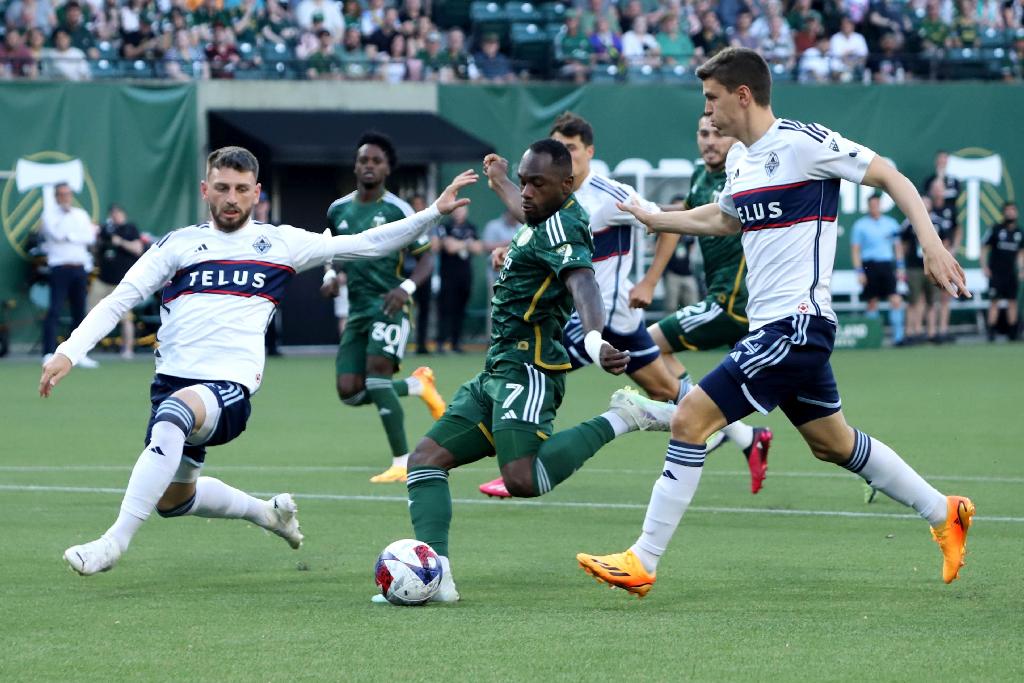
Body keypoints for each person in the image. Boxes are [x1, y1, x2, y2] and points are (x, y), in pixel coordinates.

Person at [577, 48, 975, 597]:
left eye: (712, 99)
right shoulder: (741, 161)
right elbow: (721, 217)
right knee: (831, 444)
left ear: (742, 95)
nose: (707, 114)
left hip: (797, 326)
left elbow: (891, 177)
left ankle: (642, 559)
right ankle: (944, 510)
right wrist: (653, 217)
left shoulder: (802, 143)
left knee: (691, 417)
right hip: (775, 330)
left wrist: (931, 243)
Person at [41, 146, 477, 576]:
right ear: (205, 190)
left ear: (257, 193)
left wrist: (433, 212)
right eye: (222, 187)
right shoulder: (178, 245)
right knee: (174, 500)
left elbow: (366, 243)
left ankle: (113, 542)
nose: (232, 197)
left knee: (174, 417)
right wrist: (69, 351)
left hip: (228, 389)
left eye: (241, 189)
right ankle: (269, 515)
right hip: (172, 383)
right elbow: (120, 300)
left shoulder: (281, 243)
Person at [396, 139, 675, 603]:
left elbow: (583, 284)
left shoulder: (566, 228)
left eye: (536, 184)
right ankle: (438, 577)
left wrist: (593, 339)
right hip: (496, 370)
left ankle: (622, 416)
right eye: (524, 182)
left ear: (567, 185)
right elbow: (526, 209)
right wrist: (501, 180)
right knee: (425, 462)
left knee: (521, 479)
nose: (525, 192)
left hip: (528, 370)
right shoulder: (541, 214)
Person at [477, 112, 693, 498]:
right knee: (665, 389)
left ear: (589, 151)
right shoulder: (552, 197)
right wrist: (510, 235)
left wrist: (649, 279)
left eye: (573, 148)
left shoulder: (610, 194)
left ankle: (525, 462)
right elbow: (539, 231)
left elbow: (665, 223)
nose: (568, 155)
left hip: (601, 313)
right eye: (561, 147)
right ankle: (742, 433)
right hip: (598, 316)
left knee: (535, 368)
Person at [631, 114, 774, 493]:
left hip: (734, 301)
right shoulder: (699, 177)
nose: (710, 141)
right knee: (822, 427)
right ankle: (744, 436)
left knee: (645, 345)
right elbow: (680, 225)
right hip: (726, 299)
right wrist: (650, 276)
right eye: (703, 134)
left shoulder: (744, 172)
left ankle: (706, 424)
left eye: (717, 134)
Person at [326, 132, 448, 484]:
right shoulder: (339, 210)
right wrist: (331, 275)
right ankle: (416, 386)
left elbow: (425, 260)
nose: (369, 165)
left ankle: (402, 461)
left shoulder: (398, 209)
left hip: (389, 306)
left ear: (388, 168)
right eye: (363, 159)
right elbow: (334, 252)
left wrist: (405, 288)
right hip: (358, 308)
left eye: (376, 161)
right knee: (349, 391)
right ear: (355, 165)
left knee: (377, 378)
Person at [40, 182, 98, 368]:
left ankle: (78, 354)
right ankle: (48, 352)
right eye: (62, 194)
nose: (66, 197)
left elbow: (89, 237)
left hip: (79, 268)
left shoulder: (80, 214)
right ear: (56, 197)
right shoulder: (49, 215)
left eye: (68, 194)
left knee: (79, 312)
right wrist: (74, 234)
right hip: (60, 268)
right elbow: (57, 234)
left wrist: (71, 236)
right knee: (55, 310)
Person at [850, 194, 906, 345]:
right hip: (869, 266)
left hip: (887, 265)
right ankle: (872, 339)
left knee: (895, 299)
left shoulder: (891, 223)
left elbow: (898, 247)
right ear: (868, 206)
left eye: (876, 204)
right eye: (871, 205)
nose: (874, 207)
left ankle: (899, 338)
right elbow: (855, 250)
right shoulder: (860, 225)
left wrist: (900, 267)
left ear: (880, 205)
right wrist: (859, 271)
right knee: (872, 302)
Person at [89, 204, 144, 359]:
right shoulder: (106, 230)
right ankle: (85, 349)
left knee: (125, 318)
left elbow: (138, 249)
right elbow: (96, 250)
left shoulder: (130, 229)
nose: (115, 216)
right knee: (89, 314)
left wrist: (119, 241)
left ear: (123, 214)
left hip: (121, 283)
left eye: (117, 213)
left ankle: (128, 350)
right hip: (102, 279)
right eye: (112, 214)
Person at [436, 205, 481, 353]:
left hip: (465, 274)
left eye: (462, 210)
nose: (459, 213)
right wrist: (468, 243)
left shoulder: (471, 227)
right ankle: (441, 343)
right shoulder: (445, 226)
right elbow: (449, 247)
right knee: (446, 308)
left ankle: (456, 343)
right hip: (448, 274)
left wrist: (460, 244)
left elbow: (478, 248)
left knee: (461, 310)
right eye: (456, 210)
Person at [925, 176, 960, 343]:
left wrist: (954, 248)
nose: (938, 191)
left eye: (941, 188)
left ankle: (943, 330)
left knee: (947, 294)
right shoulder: (927, 209)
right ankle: (931, 332)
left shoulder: (951, 209)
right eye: (935, 188)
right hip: (932, 258)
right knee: (932, 297)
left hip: (947, 257)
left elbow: (957, 229)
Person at [982, 202, 1022, 341]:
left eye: (1013, 210)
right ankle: (991, 332)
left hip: (1011, 274)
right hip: (996, 273)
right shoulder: (996, 229)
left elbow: (1021, 253)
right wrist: (984, 266)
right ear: (1003, 213)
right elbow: (984, 248)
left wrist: (1021, 270)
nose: (1010, 213)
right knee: (994, 302)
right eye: (1007, 210)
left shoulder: (1019, 232)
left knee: (1012, 302)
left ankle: (1013, 333)